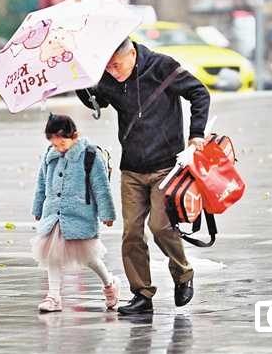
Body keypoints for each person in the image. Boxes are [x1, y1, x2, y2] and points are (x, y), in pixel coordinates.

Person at [76, 38, 210, 315]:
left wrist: (196, 135)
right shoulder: (107, 76)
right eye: (107, 67)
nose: (112, 71)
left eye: (117, 65)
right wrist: (82, 82)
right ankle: (142, 294)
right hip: (132, 168)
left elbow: (199, 93)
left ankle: (183, 273)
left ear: (132, 54)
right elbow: (97, 101)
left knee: (161, 227)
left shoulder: (162, 66)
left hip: (166, 167)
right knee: (132, 234)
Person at [31, 113, 120, 313]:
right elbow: (42, 184)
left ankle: (109, 284)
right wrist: (38, 208)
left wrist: (107, 214)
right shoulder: (50, 155)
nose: (58, 147)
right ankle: (54, 296)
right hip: (53, 214)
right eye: (54, 144)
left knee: (89, 258)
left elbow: (100, 186)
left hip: (79, 214)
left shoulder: (89, 154)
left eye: (62, 143)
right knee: (52, 255)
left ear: (75, 136)